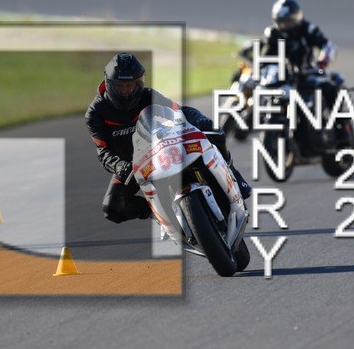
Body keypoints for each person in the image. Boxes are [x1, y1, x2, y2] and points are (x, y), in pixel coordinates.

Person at [85, 53, 252, 225]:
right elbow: (103, 151)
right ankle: (160, 214)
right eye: (120, 86)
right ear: (109, 84)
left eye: (130, 85)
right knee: (113, 207)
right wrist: (119, 166)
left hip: (163, 148)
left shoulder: (148, 95)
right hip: (132, 165)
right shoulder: (96, 113)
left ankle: (233, 176)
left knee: (215, 134)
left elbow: (179, 110)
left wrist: (200, 119)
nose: (125, 91)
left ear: (138, 84)